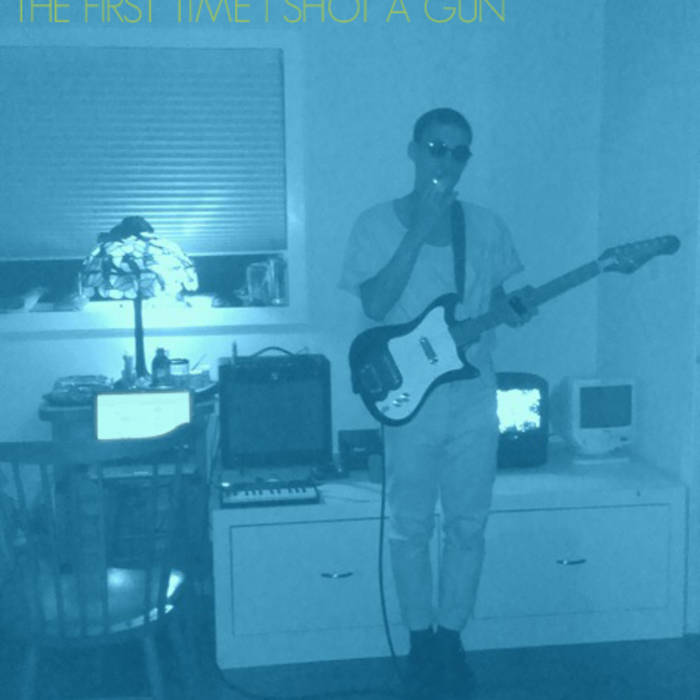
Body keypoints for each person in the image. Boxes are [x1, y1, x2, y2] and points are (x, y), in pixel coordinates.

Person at [339, 107, 534, 700]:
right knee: (410, 527)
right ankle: (420, 639)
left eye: (458, 151)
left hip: (474, 394)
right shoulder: (374, 224)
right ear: (414, 150)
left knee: (469, 524)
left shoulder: (487, 226)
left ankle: (450, 638)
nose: (447, 160)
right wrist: (419, 229)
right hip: (411, 399)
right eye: (436, 147)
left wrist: (511, 310)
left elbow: (492, 301)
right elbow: (375, 306)